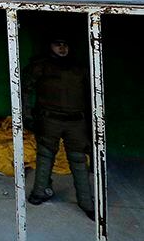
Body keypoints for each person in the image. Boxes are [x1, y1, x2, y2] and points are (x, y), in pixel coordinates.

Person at [22, 38, 94, 220]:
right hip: (49, 119)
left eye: (65, 44)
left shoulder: (80, 68)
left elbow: (91, 94)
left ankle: (86, 202)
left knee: (78, 160)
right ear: (49, 46)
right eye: (57, 43)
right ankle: (39, 192)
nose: (62, 48)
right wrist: (27, 115)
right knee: (45, 156)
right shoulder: (41, 66)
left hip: (75, 121)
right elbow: (25, 89)